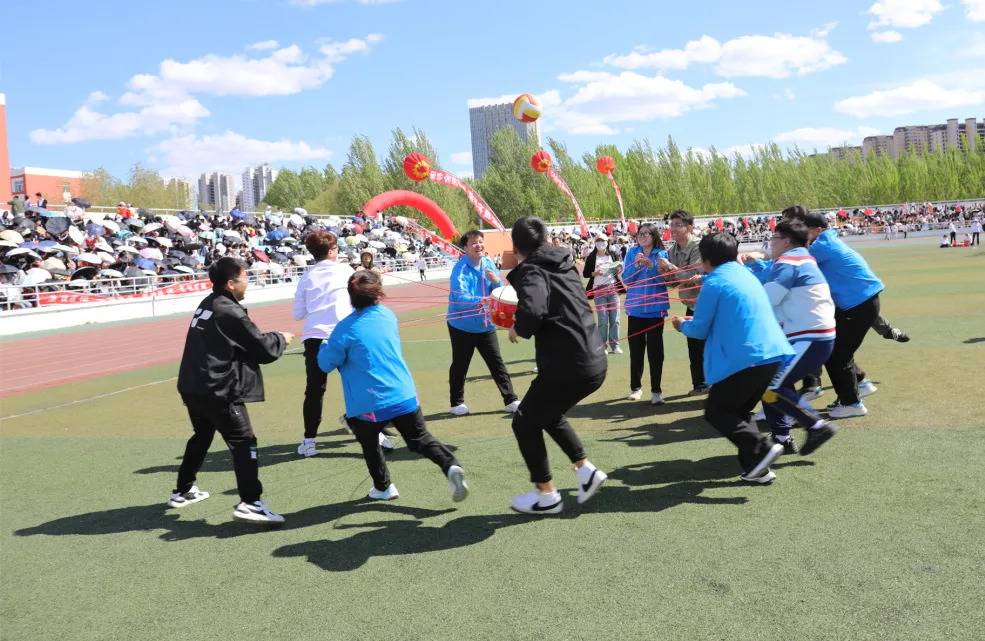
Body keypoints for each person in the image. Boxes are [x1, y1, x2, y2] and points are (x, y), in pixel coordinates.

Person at [318, 271, 468, 503]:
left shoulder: (344, 329)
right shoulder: (387, 315)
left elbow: (326, 364)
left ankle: (383, 487)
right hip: (403, 394)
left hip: (369, 404)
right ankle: (449, 465)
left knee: (369, 442)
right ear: (377, 293)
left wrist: (323, 346)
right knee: (420, 439)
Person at [170, 256, 294, 523]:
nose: (248, 283)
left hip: (193, 386)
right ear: (230, 283)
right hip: (218, 390)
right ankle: (251, 502)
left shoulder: (208, 302)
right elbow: (262, 348)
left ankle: (183, 490)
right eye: (245, 278)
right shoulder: (229, 310)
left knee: (202, 435)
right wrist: (281, 338)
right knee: (244, 441)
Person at [671, 233, 794, 484]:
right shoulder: (745, 274)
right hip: (772, 353)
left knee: (717, 411)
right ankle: (757, 469)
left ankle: (762, 447)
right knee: (739, 411)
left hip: (747, 357)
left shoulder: (714, 284)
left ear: (705, 260)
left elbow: (699, 330)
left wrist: (682, 325)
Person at [506, 216, 608, 514]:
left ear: (516, 246)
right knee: (547, 413)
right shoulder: (564, 261)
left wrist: (518, 327)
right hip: (593, 357)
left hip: (568, 364)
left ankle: (546, 494)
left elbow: (534, 309)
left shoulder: (533, 269)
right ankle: (585, 469)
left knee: (524, 422)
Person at [742, 219, 838, 456]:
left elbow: (768, 298)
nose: (770, 243)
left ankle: (816, 425)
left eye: (773, 238)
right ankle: (782, 437)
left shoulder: (789, 262)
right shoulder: (800, 259)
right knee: (770, 383)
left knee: (771, 385)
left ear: (786, 242)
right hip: (811, 335)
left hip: (809, 337)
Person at [800, 210, 885, 417]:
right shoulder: (826, 241)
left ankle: (852, 403)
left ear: (816, 230)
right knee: (836, 352)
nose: (800, 234)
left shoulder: (822, 245)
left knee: (838, 354)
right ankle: (858, 388)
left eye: (804, 230)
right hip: (860, 303)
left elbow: (794, 261)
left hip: (858, 304)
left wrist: (760, 260)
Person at [291, 230, 367, 458]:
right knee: (357, 384)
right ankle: (371, 431)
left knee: (314, 390)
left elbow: (297, 314)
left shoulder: (307, 277)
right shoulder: (345, 270)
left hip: (315, 337)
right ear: (332, 251)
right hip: (344, 334)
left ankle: (309, 441)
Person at [446, 230, 519, 416]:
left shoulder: (488, 263)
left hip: (485, 324)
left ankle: (510, 400)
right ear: (465, 247)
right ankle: (456, 403)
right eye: (473, 243)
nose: (478, 245)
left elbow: (499, 291)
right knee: (460, 364)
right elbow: (459, 299)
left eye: (480, 241)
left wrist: (496, 281)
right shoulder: (460, 269)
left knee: (496, 362)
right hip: (462, 325)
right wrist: (482, 300)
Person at [660, 210, 707, 395]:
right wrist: (664, 274)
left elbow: (693, 277)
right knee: (693, 347)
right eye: (671, 225)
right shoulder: (673, 250)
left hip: (706, 303)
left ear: (689, 227)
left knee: (707, 347)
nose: (673, 228)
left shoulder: (698, 246)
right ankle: (700, 384)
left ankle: (716, 384)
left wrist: (671, 268)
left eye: (677, 225)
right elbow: (674, 281)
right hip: (691, 304)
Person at [622, 222, 670, 405]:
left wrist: (651, 265)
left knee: (655, 352)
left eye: (645, 233)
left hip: (655, 310)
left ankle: (656, 391)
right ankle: (636, 388)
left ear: (653, 235)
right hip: (635, 308)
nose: (641, 236)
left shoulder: (662, 254)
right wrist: (636, 265)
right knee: (636, 350)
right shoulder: (632, 253)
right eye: (639, 234)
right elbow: (627, 279)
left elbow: (664, 280)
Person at [582, 233, 623, 354]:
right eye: (598, 240)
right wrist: (595, 273)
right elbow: (585, 273)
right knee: (603, 320)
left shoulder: (613, 254)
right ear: (595, 243)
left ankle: (615, 345)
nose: (601, 243)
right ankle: (602, 346)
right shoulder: (591, 257)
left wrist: (617, 270)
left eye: (603, 240)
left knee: (615, 319)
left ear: (607, 242)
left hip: (613, 289)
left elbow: (619, 270)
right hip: (599, 290)